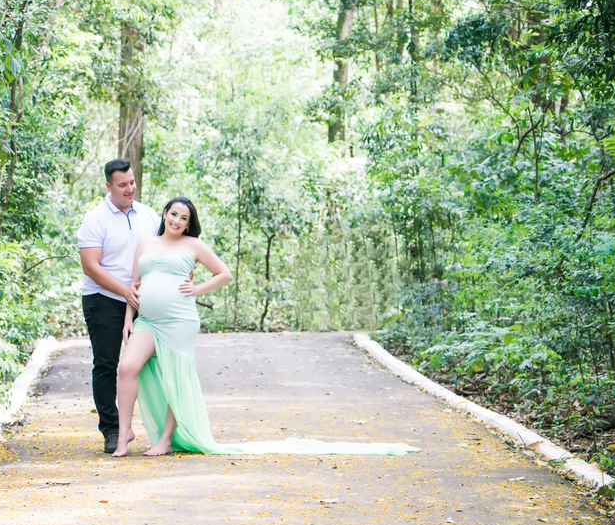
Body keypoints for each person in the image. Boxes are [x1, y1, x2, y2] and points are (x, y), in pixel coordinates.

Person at [112, 196, 420, 458]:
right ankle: (125, 432)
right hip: (148, 321)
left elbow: (225, 274)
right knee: (127, 368)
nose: (177, 220)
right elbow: (134, 285)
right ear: (164, 213)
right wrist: (129, 319)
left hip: (179, 321)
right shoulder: (146, 243)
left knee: (176, 379)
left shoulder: (194, 245)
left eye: (184, 217)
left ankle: (166, 439)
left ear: (189, 223)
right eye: (174, 214)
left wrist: (198, 289)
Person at [77, 159, 160, 454]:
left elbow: (167, 249)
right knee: (107, 364)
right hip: (104, 300)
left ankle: (159, 430)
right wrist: (125, 291)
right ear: (109, 185)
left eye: (133, 182)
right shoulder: (95, 219)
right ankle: (112, 431)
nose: (130, 189)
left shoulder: (149, 216)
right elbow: (90, 267)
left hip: (145, 301)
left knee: (149, 364)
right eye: (122, 185)